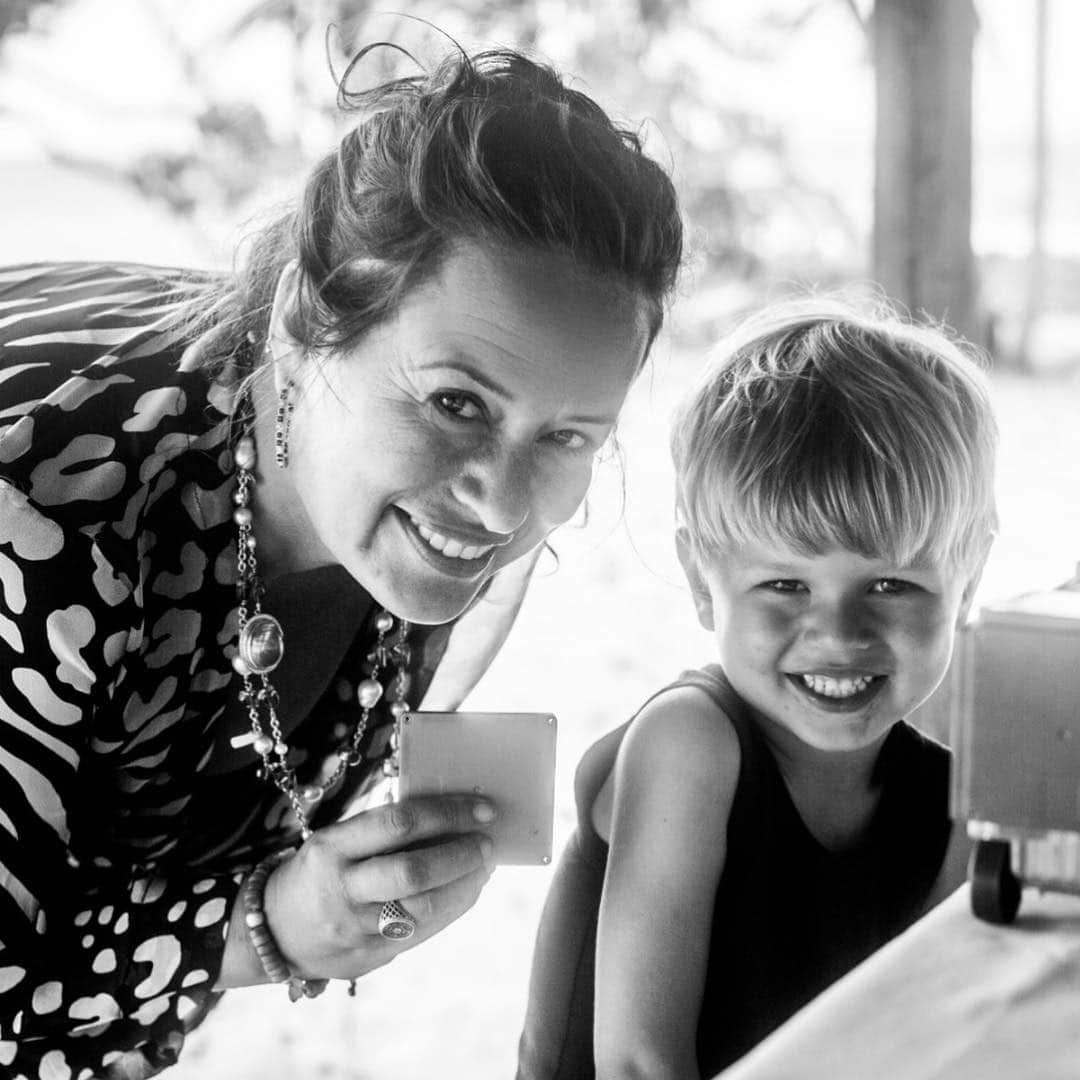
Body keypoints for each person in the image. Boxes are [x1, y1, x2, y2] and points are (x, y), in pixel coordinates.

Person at [0, 45, 683, 1078]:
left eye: (569, 436)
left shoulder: (430, 520)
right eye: (456, 403)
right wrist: (260, 930)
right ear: (303, 322)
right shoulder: (43, 523)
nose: (500, 501)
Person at [517, 300, 998, 1080]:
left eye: (891, 584)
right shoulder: (690, 743)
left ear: (966, 580)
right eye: (785, 584)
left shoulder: (960, 793)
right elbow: (638, 1062)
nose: (840, 633)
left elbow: (937, 1041)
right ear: (703, 584)